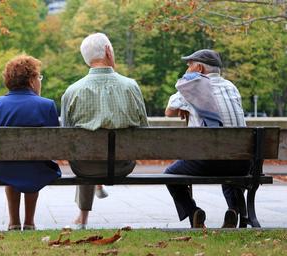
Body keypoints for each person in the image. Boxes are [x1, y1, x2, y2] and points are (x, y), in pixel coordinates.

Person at [61, 33, 149, 229]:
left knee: (84, 155)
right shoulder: (131, 86)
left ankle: (82, 219)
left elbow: (66, 138)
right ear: (109, 51)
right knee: (89, 154)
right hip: (122, 166)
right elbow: (145, 131)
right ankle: (89, 203)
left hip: (85, 167)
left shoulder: (72, 91)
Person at [165, 49, 249, 228]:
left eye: (189, 65)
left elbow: (169, 112)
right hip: (242, 162)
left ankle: (193, 212)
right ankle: (234, 210)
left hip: (208, 162)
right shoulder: (232, 87)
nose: (187, 68)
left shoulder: (193, 86)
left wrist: (187, 82)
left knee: (170, 175)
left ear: (199, 68)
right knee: (229, 161)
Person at [0, 55, 61, 231]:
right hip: (36, 168)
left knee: (12, 165)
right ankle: (29, 222)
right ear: (32, 80)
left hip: (1, 168)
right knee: (33, 164)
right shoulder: (46, 105)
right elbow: (54, 145)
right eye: (39, 77)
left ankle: (14, 222)